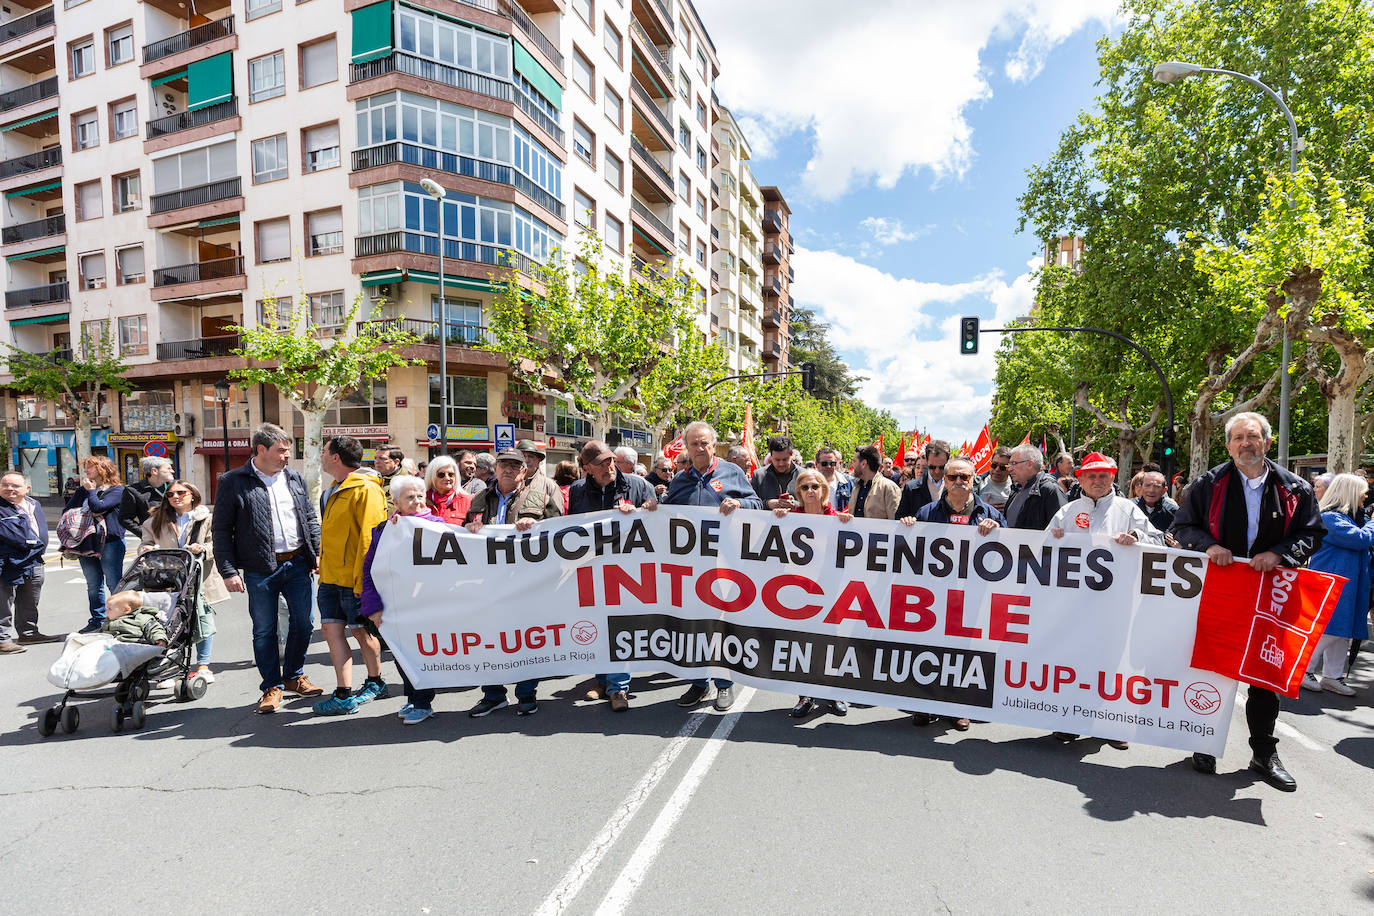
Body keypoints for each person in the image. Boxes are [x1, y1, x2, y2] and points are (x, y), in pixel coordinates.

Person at [1169, 411, 1323, 791]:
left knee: (1264, 676)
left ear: (1267, 442)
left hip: (1271, 590)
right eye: (1237, 438)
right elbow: (1182, 527)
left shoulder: (1294, 488)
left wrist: (1281, 554)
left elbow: (1312, 533)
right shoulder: (1208, 484)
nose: (1245, 445)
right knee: (1215, 666)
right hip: (1220, 589)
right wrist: (1209, 545)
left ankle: (1263, 753)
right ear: (1227, 445)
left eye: (1252, 437)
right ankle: (1203, 743)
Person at [1045, 451, 1162, 749]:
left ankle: (1112, 724)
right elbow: (1042, 551)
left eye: (1103, 476)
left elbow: (1159, 541)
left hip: (1117, 604)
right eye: (1091, 476)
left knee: (1112, 663)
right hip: (1075, 606)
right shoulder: (1067, 512)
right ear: (1081, 479)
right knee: (1073, 661)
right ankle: (1070, 720)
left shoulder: (1128, 510)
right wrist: (1054, 538)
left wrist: (1137, 535)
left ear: (1112, 478)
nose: (1097, 481)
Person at [212, 423, 324, 714]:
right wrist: (228, 570)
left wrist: (317, 553)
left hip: (298, 562)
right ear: (261, 450)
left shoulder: (295, 478)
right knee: (265, 630)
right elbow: (221, 529)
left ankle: (294, 676)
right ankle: (271, 687)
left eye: (288, 451)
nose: (287, 456)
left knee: (305, 622)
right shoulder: (232, 481)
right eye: (281, 451)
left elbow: (309, 518)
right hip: (260, 568)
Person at [663, 421, 762, 710]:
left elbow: (757, 505)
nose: (700, 448)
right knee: (693, 626)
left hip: (724, 565)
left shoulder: (732, 473)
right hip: (691, 567)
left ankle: (724, 684)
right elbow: (667, 514)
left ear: (713, 444)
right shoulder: (680, 480)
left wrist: (740, 505)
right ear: (687, 447)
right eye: (694, 444)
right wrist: (653, 509)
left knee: (719, 626)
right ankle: (697, 683)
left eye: (705, 443)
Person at [907, 456, 1006, 730]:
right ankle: (925, 705)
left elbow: (1009, 553)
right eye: (953, 477)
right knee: (929, 650)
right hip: (934, 597)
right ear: (944, 481)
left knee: (964, 653)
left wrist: (999, 533)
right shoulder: (927, 512)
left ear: (974, 480)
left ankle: (958, 706)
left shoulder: (992, 516)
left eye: (965, 477)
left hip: (972, 596)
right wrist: (906, 525)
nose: (959, 482)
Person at [464, 450, 563, 716]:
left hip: (526, 583)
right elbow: (464, 530)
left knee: (526, 640)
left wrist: (537, 525)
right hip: (488, 584)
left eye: (515, 466)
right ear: (495, 469)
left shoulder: (541, 496)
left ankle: (526, 693)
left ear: (524, 470)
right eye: (504, 465)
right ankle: (493, 695)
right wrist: (470, 528)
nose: (508, 470)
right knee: (489, 640)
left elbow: (560, 531)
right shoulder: (480, 498)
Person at [567, 440, 657, 710]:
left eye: (610, 460)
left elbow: (660, 514)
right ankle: (601, 679)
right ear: (586, 469)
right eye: (601, 464)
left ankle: (619, 688)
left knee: (621, 625)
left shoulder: (637, 485)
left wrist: (646, 508)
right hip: (593, 567)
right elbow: (572, 526)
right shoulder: (578, 490)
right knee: (597, 623)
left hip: (629, 568)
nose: (608, 467)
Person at [313, 436, 389, 716]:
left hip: (353, 580)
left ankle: (375, 681)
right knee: (331, 631)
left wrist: (363, 583)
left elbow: (369, 539)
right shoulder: (332, 489)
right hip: (330, 578)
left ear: (336, 457)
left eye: (324, 452)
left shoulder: (366, 489)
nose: (321, 456)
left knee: (360, 631)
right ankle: (343, 693)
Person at [361, 476, 445, 724]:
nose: (417, 501)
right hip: (395, 605)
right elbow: (369, 570)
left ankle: (422, 702)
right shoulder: (384, 531)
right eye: (410, 497)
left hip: (425, 605)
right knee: (401, 654)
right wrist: (373, 608)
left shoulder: (438, 526)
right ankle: (412, 697)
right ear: (396, 501)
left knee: (419, 654)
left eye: (420, 495)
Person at [779, 469, 852, 719]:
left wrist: (850, 525)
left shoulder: (838, 518)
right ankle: (805, 694)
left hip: (831, 590)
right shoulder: (789, 518)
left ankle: (834, 692)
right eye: (805, 487)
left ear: (823, 490)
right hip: (799, 590)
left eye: (815, 487)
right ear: (798, 493)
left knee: (832, 642)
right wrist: (776, 519)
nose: (810, 491)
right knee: (803, 642)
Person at [138, 480, 227, 682]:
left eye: (181, 493)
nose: (175, 497)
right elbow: (145, 543)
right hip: (166, 578)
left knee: (201, 620)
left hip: (198, 577)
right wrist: (146, 549)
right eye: (170, 494)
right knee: (169, 622)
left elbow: (218, 544)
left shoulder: (207, 518)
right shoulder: (155, 520)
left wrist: (203, 548)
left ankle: (203, 666)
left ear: (192, 495)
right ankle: (171, 666)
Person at [1302, 473, 1373, 697]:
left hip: (1347, 584)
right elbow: (1359, 539)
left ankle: (1332, 675)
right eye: (1362, 492)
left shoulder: (1346, 518)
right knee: (1331, 628)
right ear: (1350, 494)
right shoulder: (1331, 518)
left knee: (1344, 631)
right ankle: (1304, 669)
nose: (1365, 497)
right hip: (1333, 583)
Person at [66, 455, 128, 633]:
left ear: (103, 469)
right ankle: (97, 620)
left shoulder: (117, 490)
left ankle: (120, 620)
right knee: (93, 584)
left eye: (89, 468)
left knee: (114, 582)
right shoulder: (82, 490)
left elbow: (98, 508)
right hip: (85, 542)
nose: (85, 471)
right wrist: (87, 505)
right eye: (85, 468)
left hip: (110, 542)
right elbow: (68, 510)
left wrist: (92, 494)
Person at [0, 471, 51, 652]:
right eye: (6, 485)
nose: (10, 489)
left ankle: (28, 633)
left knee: (30, 599)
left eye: (15, 486)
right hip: (7, 562)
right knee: (4, 601)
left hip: (34, 561)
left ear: (27, 488)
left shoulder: (33, 503)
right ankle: (2, 640)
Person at [1003, 445, 1067, 531]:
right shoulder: (1015, 490)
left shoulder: (1050, 490)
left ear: (1030, 464)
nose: (1009, 469)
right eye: (1009, 464)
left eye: (1014, 463)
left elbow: (1062, 528)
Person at [118, 456, 174, 538]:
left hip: (177, 537)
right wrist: (145, 533)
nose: (172, 471)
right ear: (154, 471)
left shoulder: (175, 487)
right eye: (168, 469)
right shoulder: (133, 491)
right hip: (154, 541)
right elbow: (125, 519)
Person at [896, 440, 951, 520]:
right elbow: (899, 517)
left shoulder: (956, 486)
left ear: (948, 462)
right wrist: (906, 520)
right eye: (932, 467)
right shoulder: (911, 488)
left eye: (942, 467)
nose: (937, 471)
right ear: (927, 461)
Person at [848, 444, 900, 520]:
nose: (852, 465)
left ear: (863, 464)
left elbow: (895, 522)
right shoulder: (856, 488)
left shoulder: (888, 487)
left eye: (854, 461)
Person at [752, 435, 800, 510]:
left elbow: (814, 504)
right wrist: (767, 504)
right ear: (771, 456)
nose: (781, 464)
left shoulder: (804, 475)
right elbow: (752, 503)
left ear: (792, 455)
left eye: (785, 459)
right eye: (777, 460)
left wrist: (795, 505)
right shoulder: (759, 476)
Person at [424, 456, 472, 525]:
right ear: (432, 477)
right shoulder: (421, 501)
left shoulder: (467, 501)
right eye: (441, 475)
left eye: (451, 474)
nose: (447, 478)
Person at [1134, 469, 1178, 533]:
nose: (1151, 490)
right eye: (1147, 485)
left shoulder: (1172, 511)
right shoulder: (1130, 506)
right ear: (1140, 487)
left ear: (1164, 490)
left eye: (1157, 486)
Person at [815, 446, 852, 512]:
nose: (829, 466)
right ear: (816, 464)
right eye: (824, 464)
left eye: (832, 463)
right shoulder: (808, 483)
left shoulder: (847, 483)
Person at [977, 446, 1013, 512]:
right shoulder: (976, 483)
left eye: (1002, 467)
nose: (997, 469)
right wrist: (981, 507)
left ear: (1010, 468)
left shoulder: (1017, 488)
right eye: (994, 465)